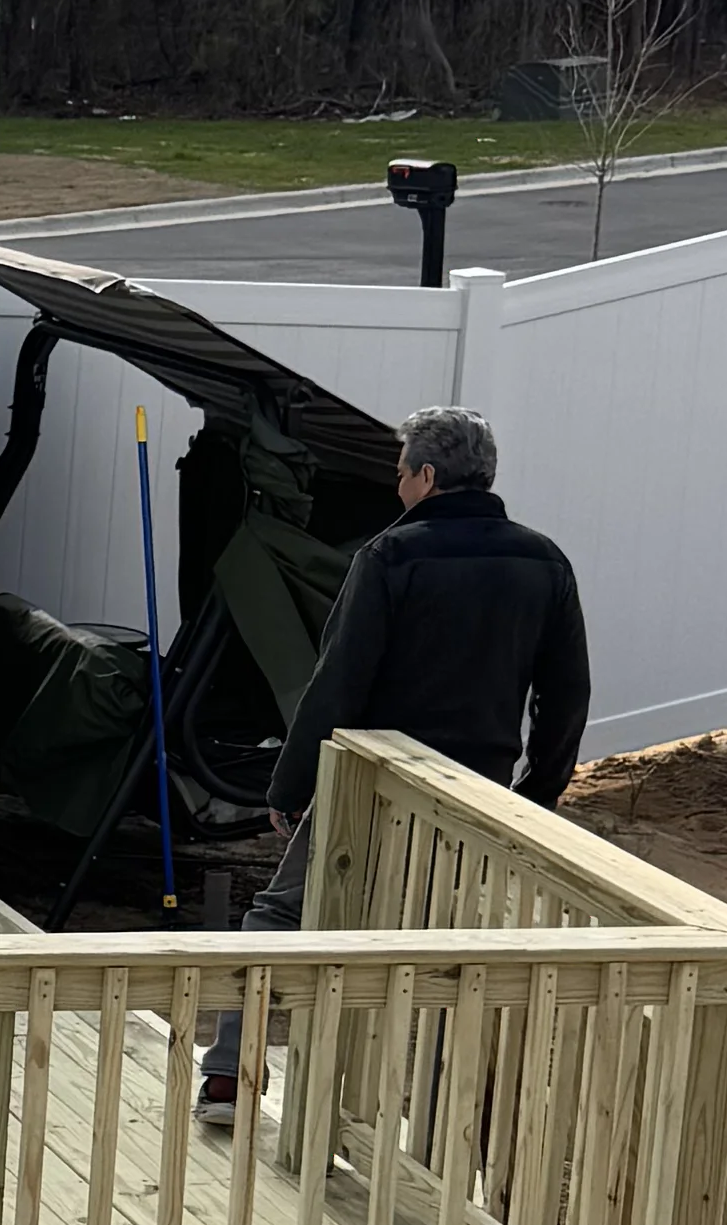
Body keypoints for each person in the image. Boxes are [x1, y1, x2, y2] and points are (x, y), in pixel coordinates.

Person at [195, 407, 587, 1130]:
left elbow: (339, 678)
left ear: (429, 477)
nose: (397, 486)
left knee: (279, 917)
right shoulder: (544, 562)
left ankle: (227, 1079)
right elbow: (566, 694)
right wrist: (537, 795)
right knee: (447, 943)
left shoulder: (392, 556)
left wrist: (291, 785)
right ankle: (439, 1124)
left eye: (402, 473)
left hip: (372, 785)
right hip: (478, 797)